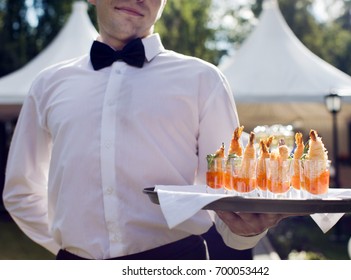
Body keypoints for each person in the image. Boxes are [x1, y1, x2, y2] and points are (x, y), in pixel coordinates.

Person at [3, 0, 287, 260]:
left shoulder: (204, 80)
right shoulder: (47, 84)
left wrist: (245, 231)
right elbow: (20, 191)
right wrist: (69, 248)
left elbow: (228, 197)